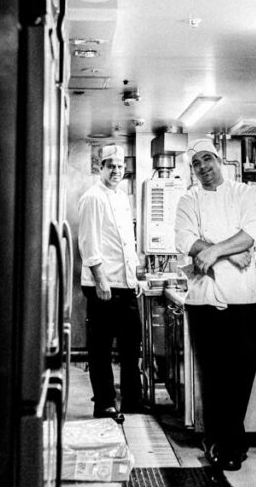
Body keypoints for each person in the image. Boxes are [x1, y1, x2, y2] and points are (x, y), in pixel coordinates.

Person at [173, 139, 256, 471]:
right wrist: (231, 251)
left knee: (240, 376)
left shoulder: (243, 193)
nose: (203, 167)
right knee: (213, 379)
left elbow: (252, 231)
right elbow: (184, 238)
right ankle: (220, 443)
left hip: (244, 302)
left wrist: (210, 253)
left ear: (219, 160)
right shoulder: (189, 199)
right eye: (196, 163)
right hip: (205, 304)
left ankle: (232, 440)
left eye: (207, 159)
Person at [76, 144, 143, 423]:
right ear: (99, 167)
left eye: (119, 165)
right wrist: (100, 279)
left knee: (131, 346)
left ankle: (132, 400)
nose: (116, 170)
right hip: (103, 284)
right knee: (101, 349)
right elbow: (88, 242)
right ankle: (104, 403)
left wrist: (135, 275)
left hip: (125, 283)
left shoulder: (122, 197)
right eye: (109, 165)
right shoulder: (93, 197)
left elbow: (127, 242)